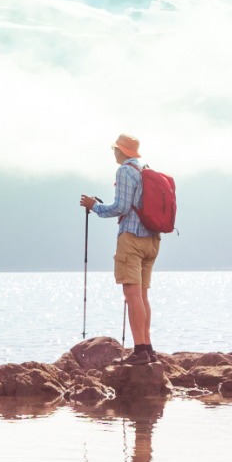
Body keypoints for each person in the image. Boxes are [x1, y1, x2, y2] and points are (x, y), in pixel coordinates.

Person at [81, 134, 158, 364]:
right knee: (142, 295)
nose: (113, 152)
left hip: (132, 238)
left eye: (114, 148)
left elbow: (121, 206)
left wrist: (94, 206)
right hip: (152, 239)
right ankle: (148, 348)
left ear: (121, 150)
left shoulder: (125, 171)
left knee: (132, 295)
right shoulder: (144, 169)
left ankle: (140, 350)